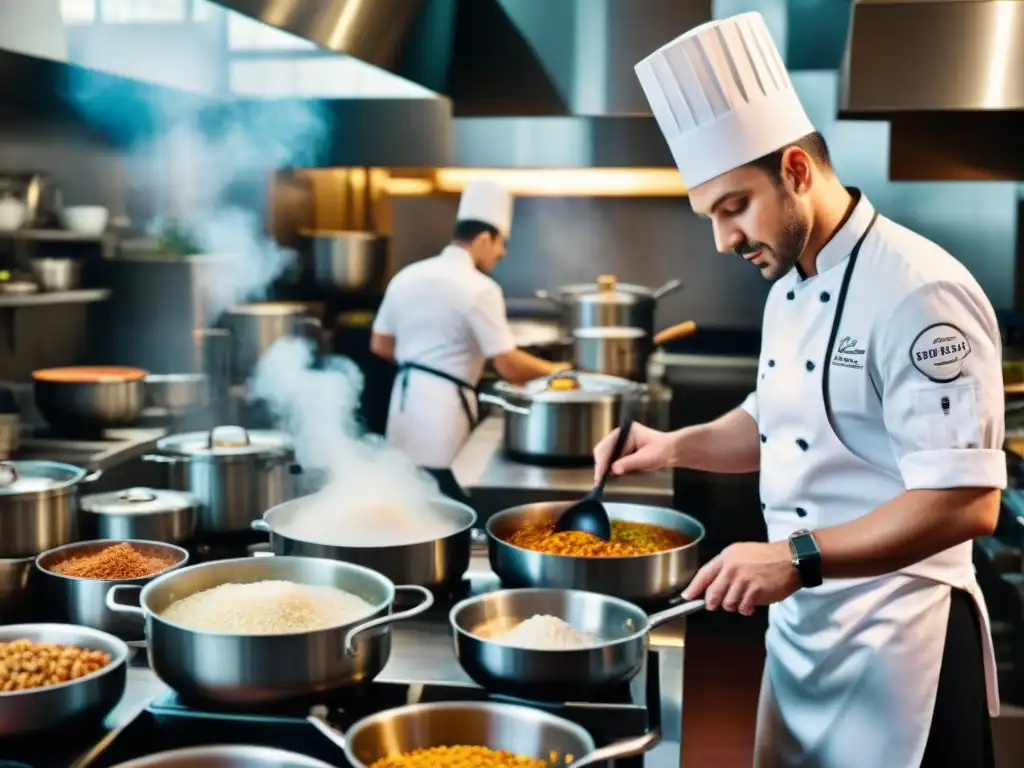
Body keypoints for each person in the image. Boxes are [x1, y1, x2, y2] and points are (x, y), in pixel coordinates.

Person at [594, 11, 1003, 768]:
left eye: (732, 208)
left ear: (794, 170)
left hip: (899, 645)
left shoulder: (921, 290)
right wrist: (672, 445)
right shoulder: (789, 279)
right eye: (709, 216)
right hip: (802, 636)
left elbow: (967, 502)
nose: (722, 241)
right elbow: (780, 421)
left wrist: (795, 556)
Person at [371, 180, 567, 505]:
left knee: (405, 500)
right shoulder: (480, 288)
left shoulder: (407, 275)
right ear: (482, 238)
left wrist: (425, 364)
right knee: (445, 503)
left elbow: (380, 344)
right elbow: (509, 365)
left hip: (403, 405)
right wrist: (559, 370)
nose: (502, 253)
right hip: (443, 414)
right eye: (501, 243)